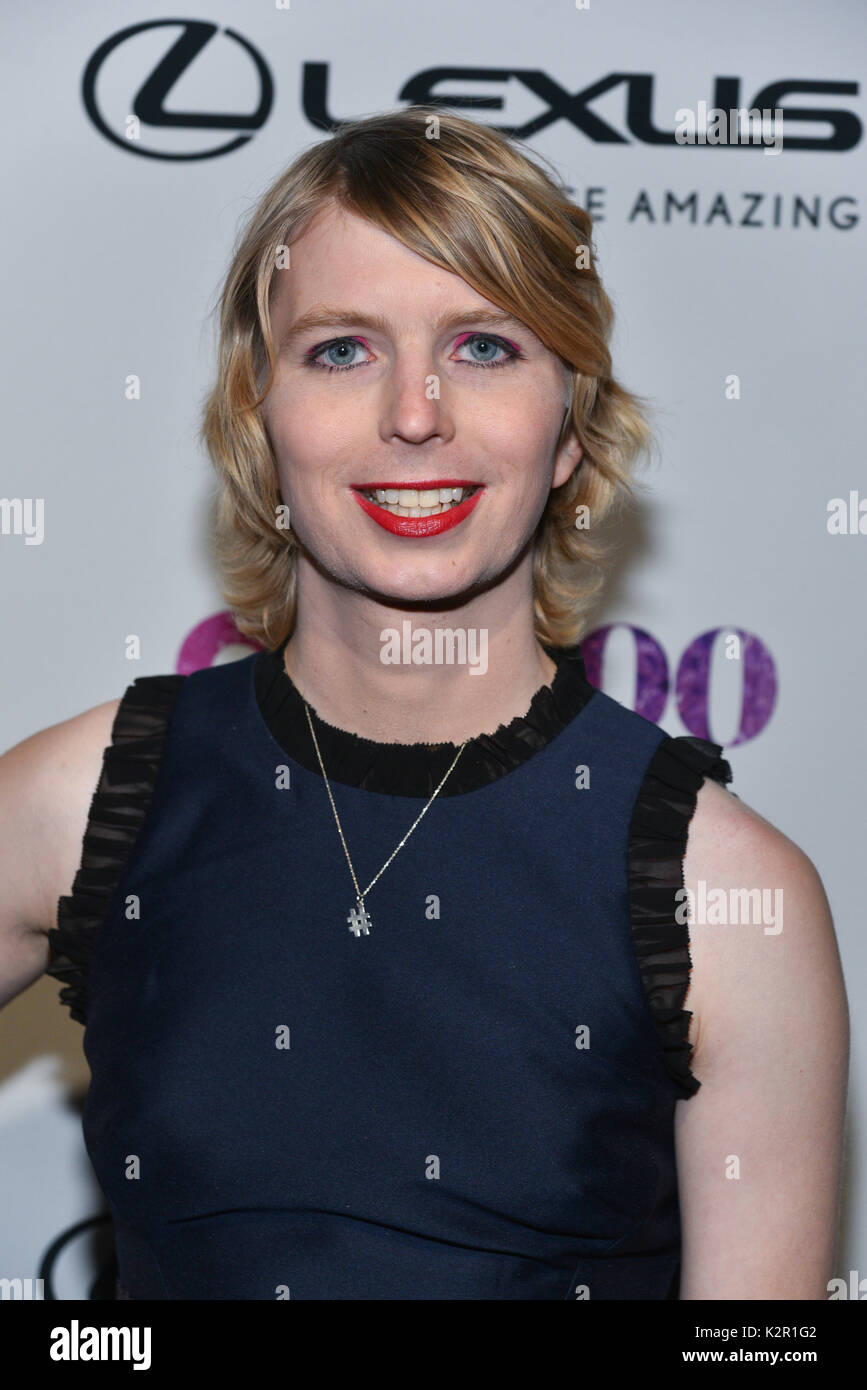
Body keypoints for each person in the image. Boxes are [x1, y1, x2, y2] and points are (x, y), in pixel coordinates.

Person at [0, 107, 848, 1301]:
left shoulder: (727, 896)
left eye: (485, 346)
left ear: (570, 427)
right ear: (259, 414)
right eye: (342, 349)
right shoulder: (85, 799)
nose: (415, 412)